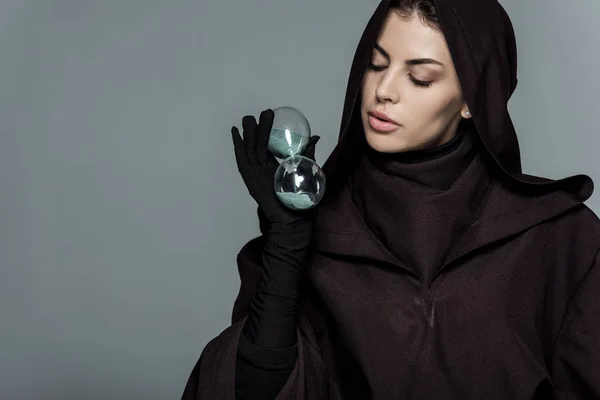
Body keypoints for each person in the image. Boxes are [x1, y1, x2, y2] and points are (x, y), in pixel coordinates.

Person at [182, 0, 600, 398]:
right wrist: (286, 249)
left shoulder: (562, 237)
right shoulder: (323, 236)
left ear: (473, 99)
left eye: (419, 78)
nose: (383, 90)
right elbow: (248, 390)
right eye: (375, 63)